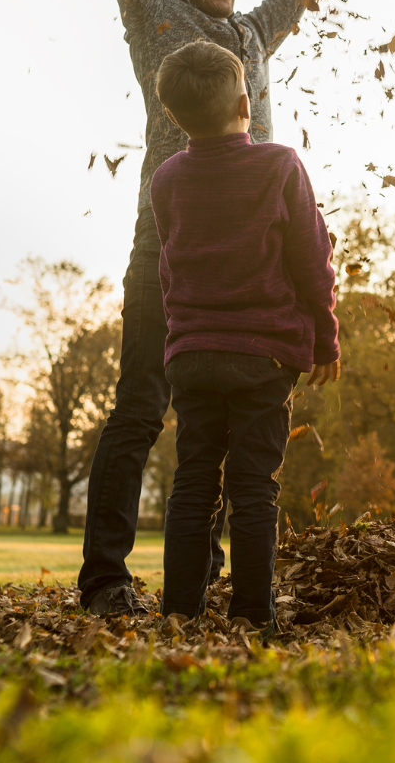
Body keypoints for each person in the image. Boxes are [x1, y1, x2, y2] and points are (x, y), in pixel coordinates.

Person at [43, 0, 395, 616]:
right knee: (142, 410)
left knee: (234, 435)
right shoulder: (158, 22)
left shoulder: (251, 38)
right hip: (169, 250)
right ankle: (105, 578)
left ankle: (208, 586)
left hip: (257, 264)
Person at [147, 40, 341, 630]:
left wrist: (182, 334)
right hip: (262, 353)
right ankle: (253, 615)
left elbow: (168, 266)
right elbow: (312, 260)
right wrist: (326, 338)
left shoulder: (167, 178)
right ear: (245, 103)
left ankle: (180, 609)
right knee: (254, 486)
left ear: (173, 116)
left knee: (195, 480)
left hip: (193, 353)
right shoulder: (279, 165)